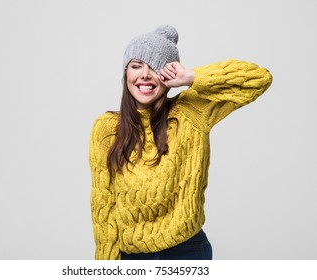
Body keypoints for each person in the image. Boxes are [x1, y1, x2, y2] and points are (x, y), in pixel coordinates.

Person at [89, 25, 273, 260]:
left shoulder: (190, 112)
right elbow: (103, 206)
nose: (145, 74)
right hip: (131, 257)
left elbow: (259, 78)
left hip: (186, 252)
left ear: (169, 75)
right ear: (126, 74)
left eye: (155, 68)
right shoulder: (106, 128)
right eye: (136, 66)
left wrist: (191, 77)